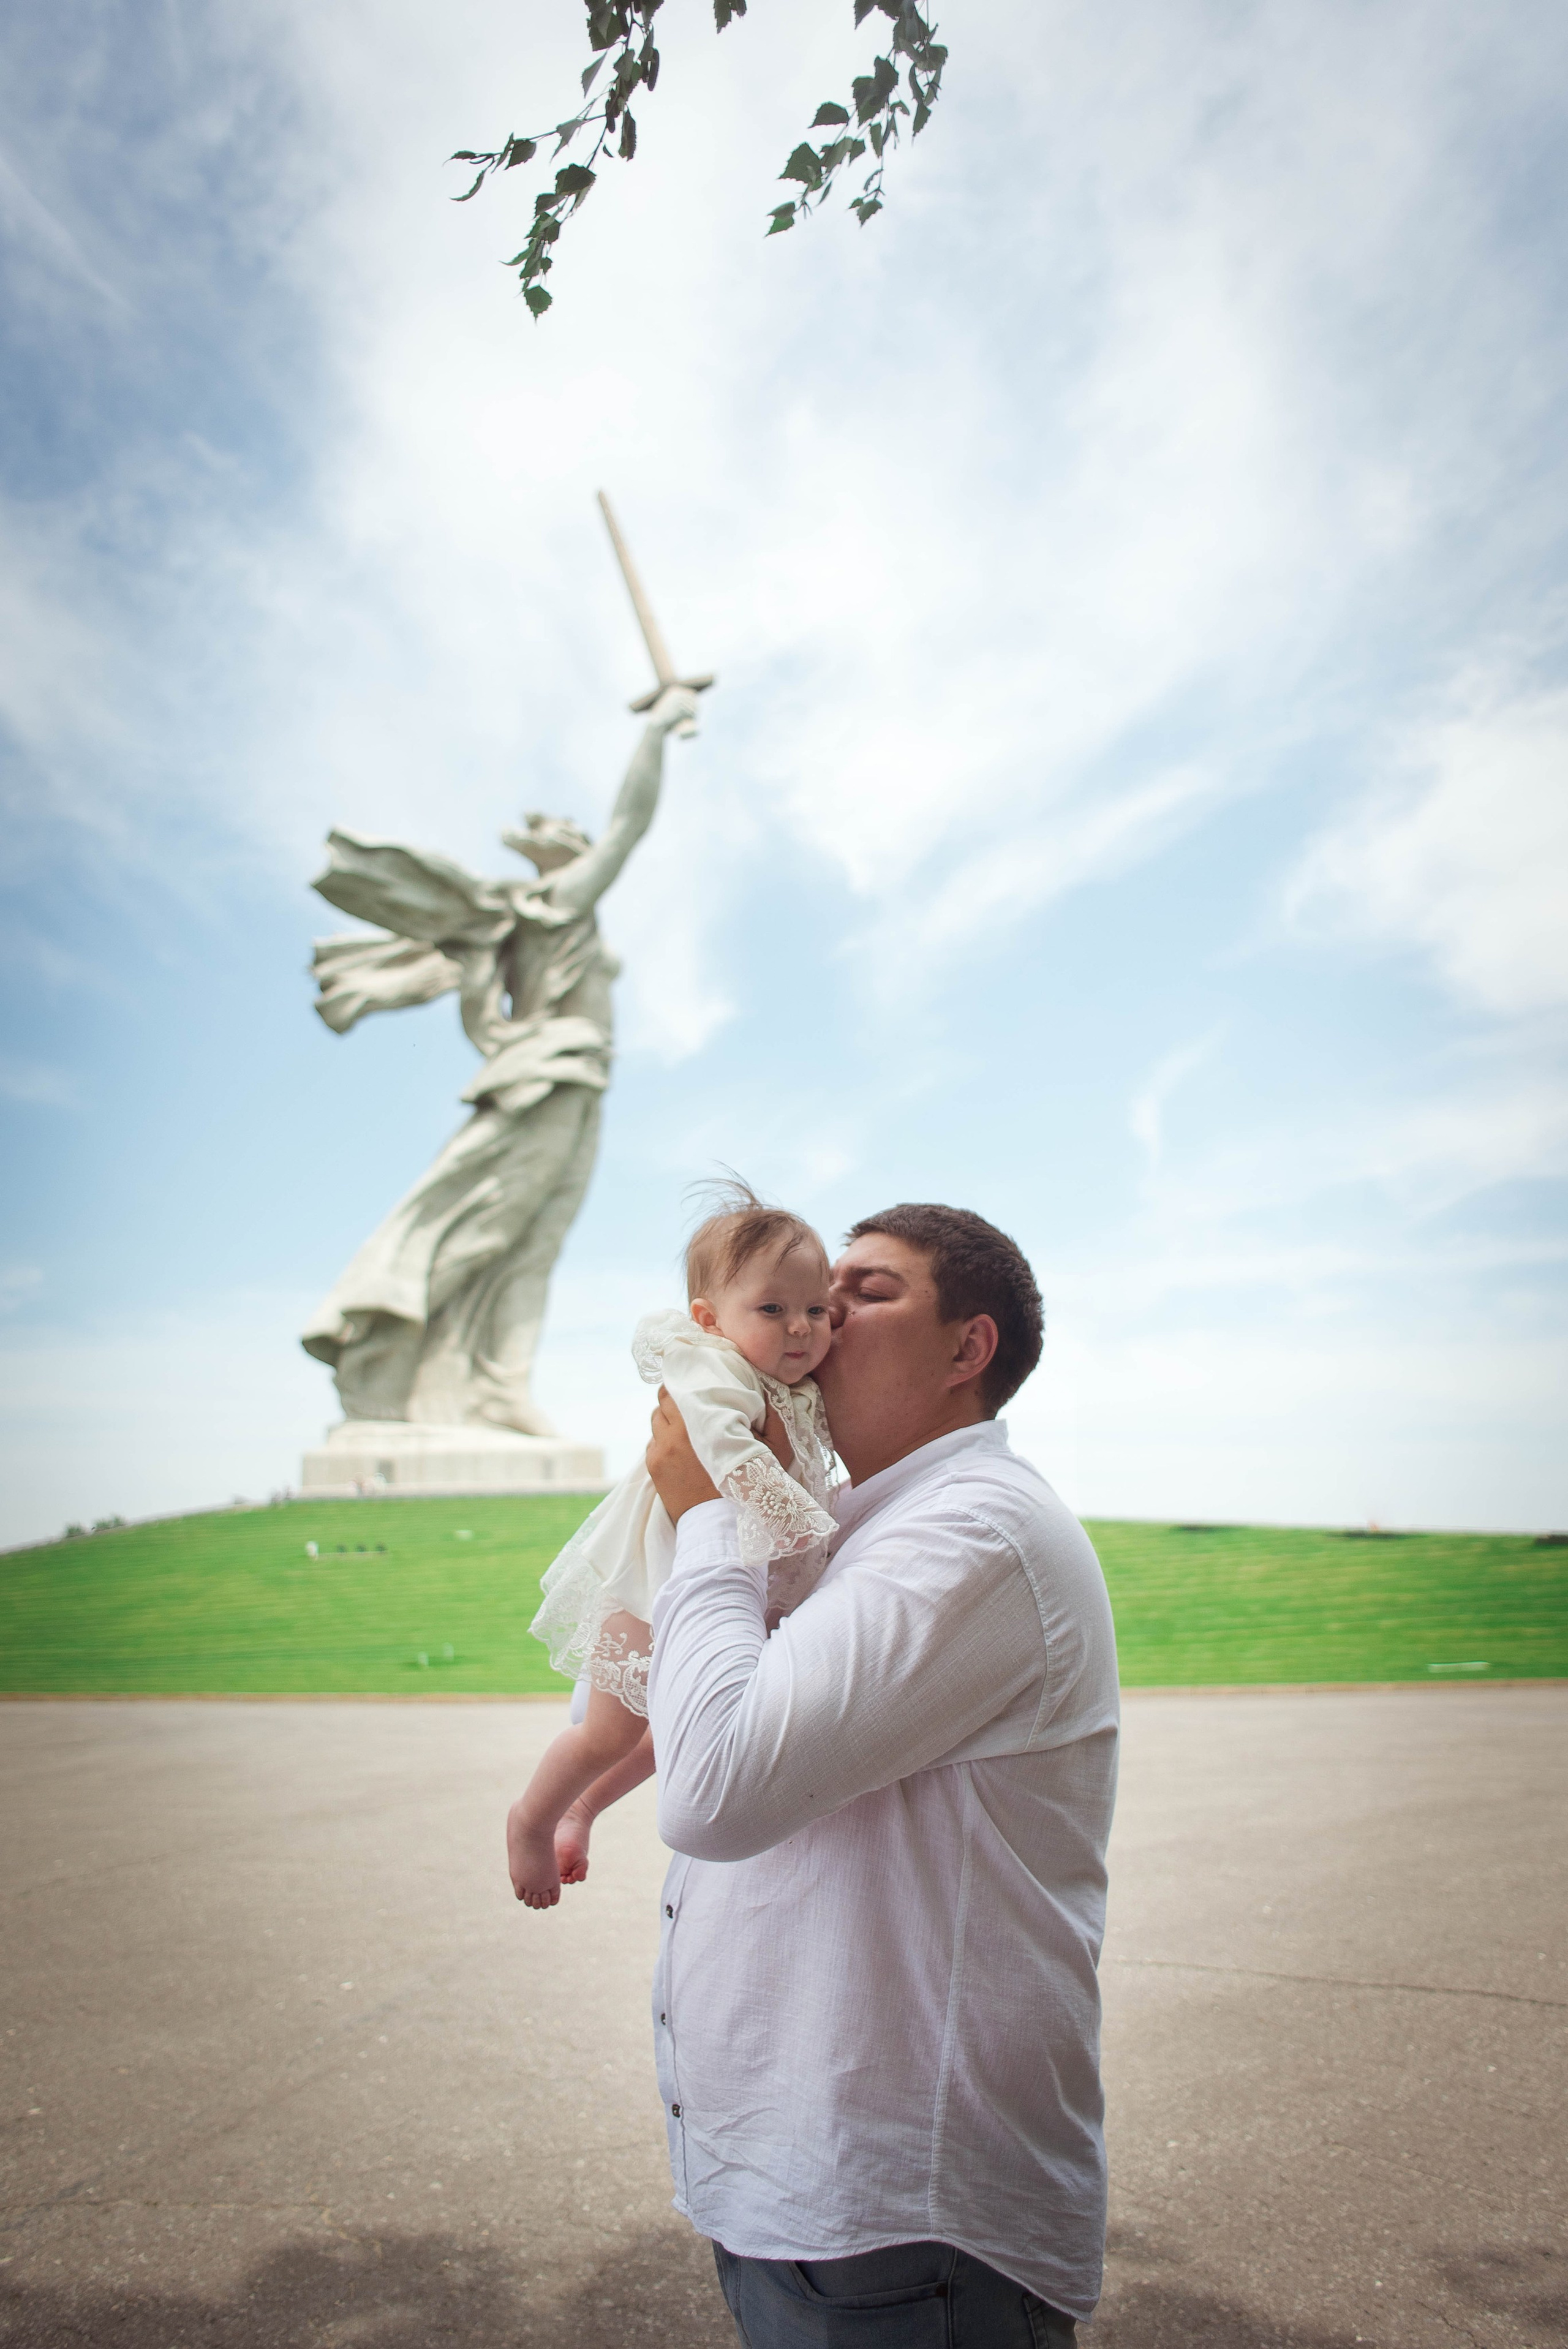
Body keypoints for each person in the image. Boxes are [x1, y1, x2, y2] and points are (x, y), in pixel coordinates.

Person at [643, 1204, 1119, 2347]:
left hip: (905, 2230)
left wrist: (708, 1512)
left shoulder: (971, 1534)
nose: (821, 1316)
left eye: (867, 1291)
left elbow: (712, 1789)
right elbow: (677, 1704)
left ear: (969, 1350)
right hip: (818, 2204)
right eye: (810, 1295)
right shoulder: (856, 1524)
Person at [505, 1188, 838, 1910]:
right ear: (709, 1319)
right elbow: (719, 1447)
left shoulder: (801, 1388)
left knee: (677, 1737)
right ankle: (531, 1819)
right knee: (607, 1733)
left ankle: (582, 1810)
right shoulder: (711, 1366)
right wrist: (807, 1522)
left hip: (727, 1583)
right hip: (656, 1582)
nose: (801, 1328)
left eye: (817, 1310)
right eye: (773, 1309)